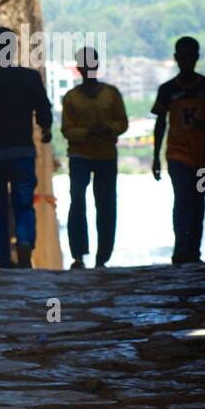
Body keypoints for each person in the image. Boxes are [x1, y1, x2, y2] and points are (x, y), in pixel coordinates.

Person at [0, 25, 54, 268]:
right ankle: (25, 240)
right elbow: (43, 108)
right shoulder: (29, 78)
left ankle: (3, 257)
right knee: (23, 202)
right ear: (14, 49)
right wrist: (46, 129)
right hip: (22, 152)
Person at [151, 36, 205, 264]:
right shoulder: (167, 90)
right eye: (181, 57)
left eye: (190, 57)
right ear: (176, 59)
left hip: (204, 156)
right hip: (177, 155)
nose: (185, 61)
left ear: (196, 58)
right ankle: (181, 249)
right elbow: (160, 123)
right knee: (183, 197)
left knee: (198, 199)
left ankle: (193, 250)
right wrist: (156, 158)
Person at [61, 47, 128, 269]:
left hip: (106, 156)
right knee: (77, 201)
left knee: (106, 204)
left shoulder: (112, 93)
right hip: (80, 155)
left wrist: (108, 129)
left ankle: (103, 256)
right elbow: (66, 129)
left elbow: (122, 122)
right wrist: (88, 133)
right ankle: (78, 254)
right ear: (79, 68)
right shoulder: (71, 98)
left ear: (96, 66)